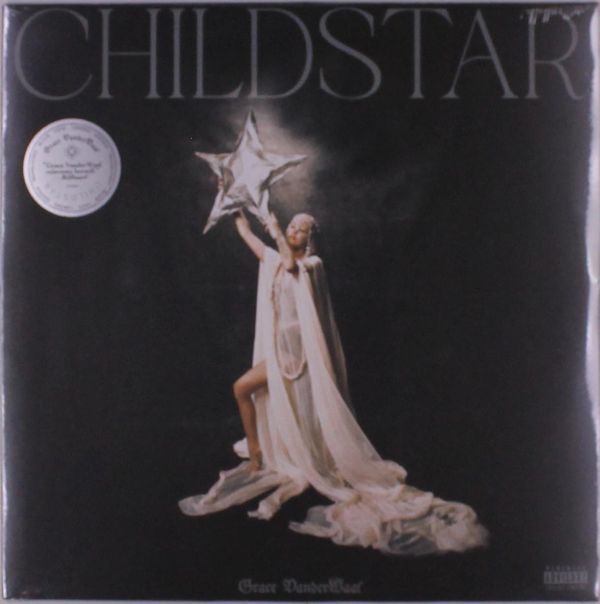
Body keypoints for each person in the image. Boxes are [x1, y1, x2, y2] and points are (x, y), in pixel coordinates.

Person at [179, 204, 489, 555]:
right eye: (291, 227)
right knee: (241, 389)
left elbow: (292, 265)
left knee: (302, 419)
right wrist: (237, 205)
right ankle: (256, 451)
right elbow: (246, 234)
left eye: (301, 229)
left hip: (302, 359)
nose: (294, 231)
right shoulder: (274, 260)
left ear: (309, 239)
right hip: (279, 355)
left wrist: (276, 229)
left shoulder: (312, 265)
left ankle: (304, 454)